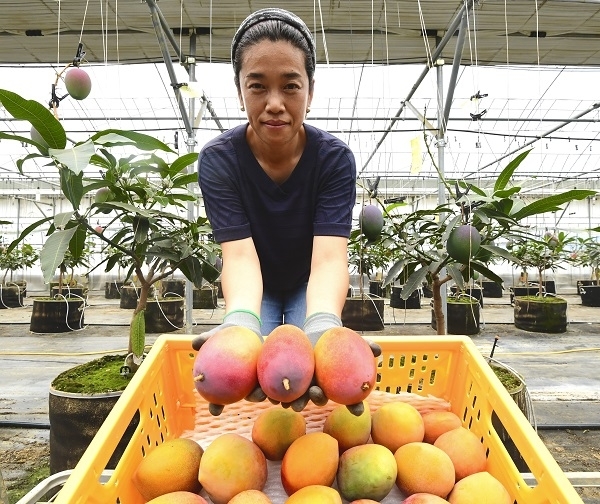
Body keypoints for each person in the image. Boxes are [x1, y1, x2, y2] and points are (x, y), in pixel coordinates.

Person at [193, 8, 379, 410]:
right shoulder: (219, 161)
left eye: (291, 86)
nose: (274, 103)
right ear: (240, 90)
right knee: (249, 372)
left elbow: (330, 257)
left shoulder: (333, 160)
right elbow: (238, 254)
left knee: (302, 375)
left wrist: (325, 325)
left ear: (310, 92)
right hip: (253, 280)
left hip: (307, 280)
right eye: (257, 86)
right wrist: (240, 321)